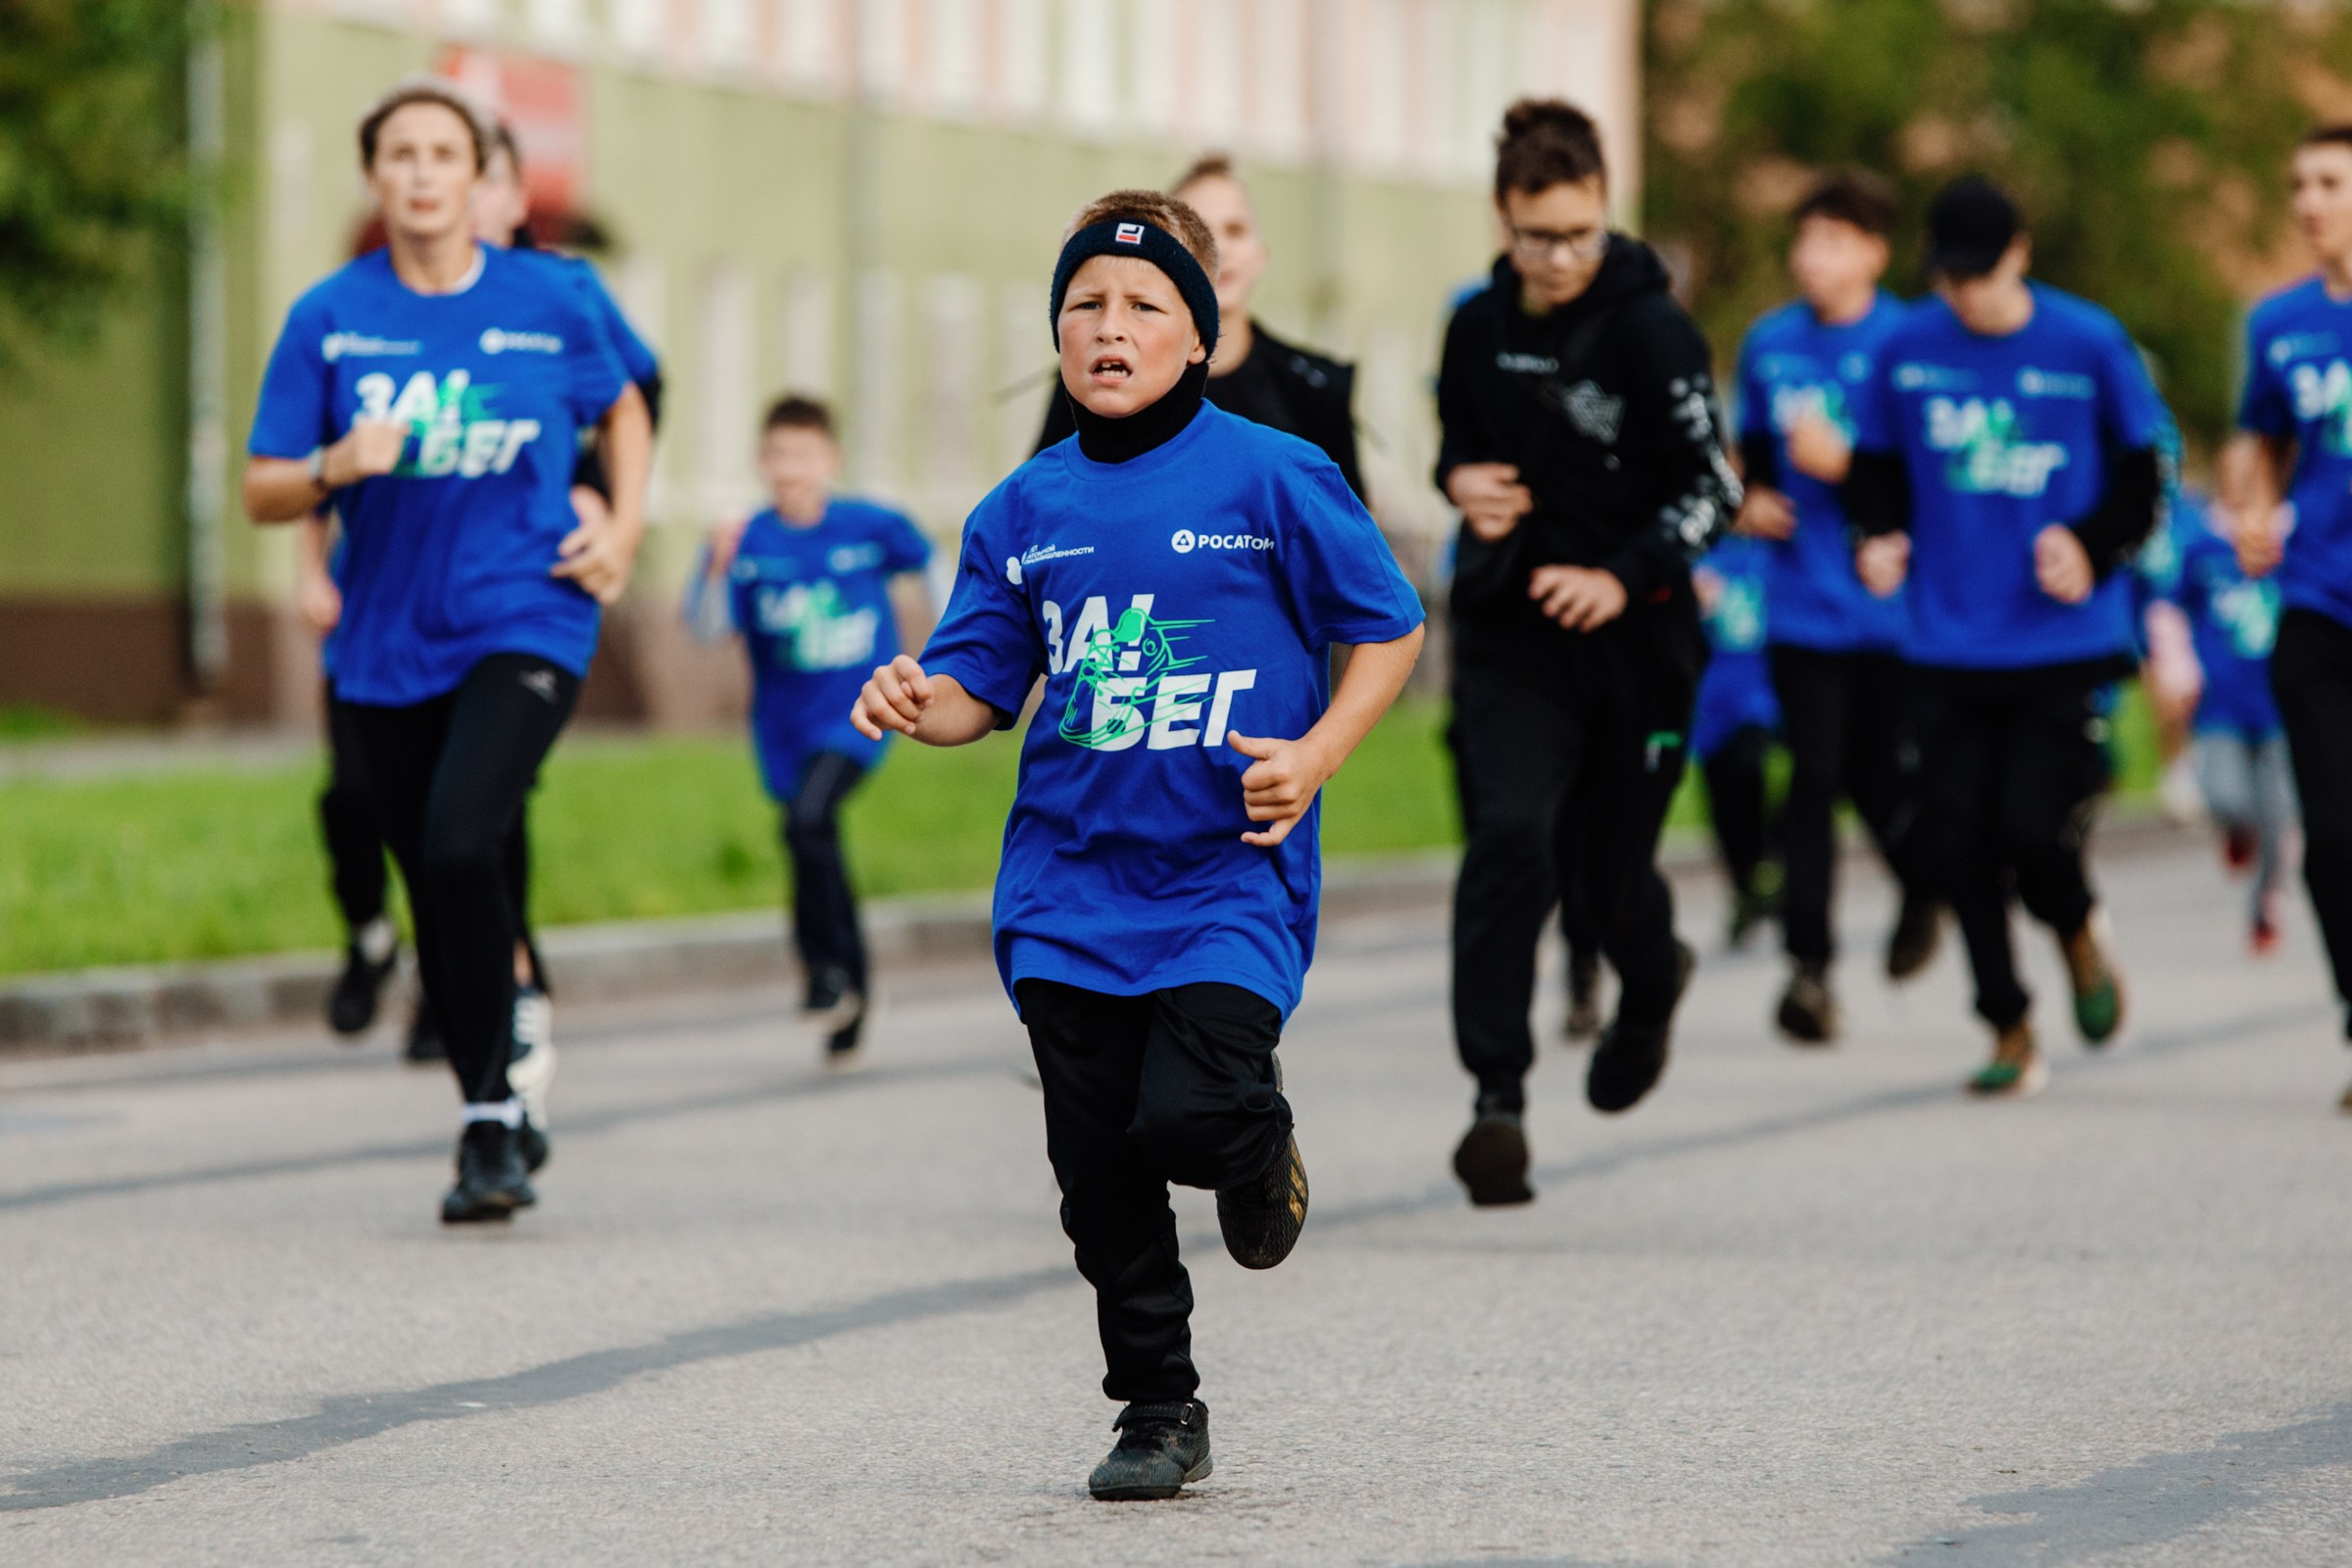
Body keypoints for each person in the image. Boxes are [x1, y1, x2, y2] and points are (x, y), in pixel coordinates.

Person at [853, 190, 1423, 1501]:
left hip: (1230, 870)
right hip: (1066, 886)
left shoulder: (1276, 475)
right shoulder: (1022, 507)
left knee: (1186, 1109)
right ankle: (1159, 1409)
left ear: (1200, 331)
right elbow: (976, 690)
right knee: (1097, 1164)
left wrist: (1318, 754)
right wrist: (911, 699)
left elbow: (1388, 627)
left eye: (1143, 307)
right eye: (1085, 308)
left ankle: (1250, 1142)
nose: (1109, 330)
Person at [243, 78, 651, 1221]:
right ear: (376, 179)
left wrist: (619, 527)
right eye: (401, 156)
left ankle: (484, 1122)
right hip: (384, 638)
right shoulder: (330, 316)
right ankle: (498, 1094)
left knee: (466, 843)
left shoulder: (554, 297)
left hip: (529, 611)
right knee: (430, 871)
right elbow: (262, 487)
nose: (423, 174)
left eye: (444, 155)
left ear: (481, 180)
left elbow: (624, 406)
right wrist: (335, 466)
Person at [1436, 99, 1739, 1205]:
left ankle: (1650, 987)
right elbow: (1459, 450)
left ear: (1607, 212)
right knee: (1509, 841)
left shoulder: (1653, 330)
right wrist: (1460, 483)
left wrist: (1622, 573)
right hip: (1514, 638)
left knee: (1608, 885)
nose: (1558, 258)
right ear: (1503, 219)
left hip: (1639, 646)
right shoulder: (1474, 327)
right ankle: (1496, 1099)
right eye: (1535, 236)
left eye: (1578, 233)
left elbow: (1718, 492)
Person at [1845, 174, 2164, 1099]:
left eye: (1979, 275)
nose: (1965, 295)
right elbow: (1874, 472)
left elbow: (2146, 477)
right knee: (1955, 842)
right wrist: (1879, 538)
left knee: (2031, 829)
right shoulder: (1907, 348)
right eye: (1949, 278)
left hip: (2060, 639)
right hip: (1945, 637)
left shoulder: (2088, 342)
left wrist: (2091, 544)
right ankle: (2008, 1024)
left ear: (2019, 256)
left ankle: (2075, 928)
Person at [1732, 171, 1940, 1046]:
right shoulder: (1770, 345)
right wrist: (1745, 501)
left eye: (1834, 241)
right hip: (1800, 606)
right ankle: (1809, 968)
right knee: (1811, 782)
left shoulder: (1910, 343)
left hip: (1894, 616)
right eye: (1804, 240)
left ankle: (1925, 887)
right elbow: (1742, 458)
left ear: (1874, 253)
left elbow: (1936, 479)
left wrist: (1845, 468)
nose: (1812, 260)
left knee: (1878, 782)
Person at [687, 395, 932, 1061]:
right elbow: (709, 628)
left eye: (805, 455)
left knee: (809, 821)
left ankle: (826, 975)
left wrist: (956, 656)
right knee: (807, 836)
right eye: (779, 455)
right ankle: (848, 983)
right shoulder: (746, 543)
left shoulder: (867, 525)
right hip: (783, 727)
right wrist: (714, 566)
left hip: (860, 716)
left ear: (831, 460)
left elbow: (935, 564)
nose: (791, 469)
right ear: (762, 462)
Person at [2226, 123, 2352, 1103]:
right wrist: (2255, 509)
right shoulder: (2279, 324)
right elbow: (2258, 442)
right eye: (2300, 183)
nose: (2308, 202)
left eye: (2330, 183)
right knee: (2334, 836)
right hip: (2316, 601)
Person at [1034, 155, 1364, 498]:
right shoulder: (1101, 379)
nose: (1220, 248)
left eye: (1235, 230)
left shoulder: (1313, 387)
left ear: (1260, 255)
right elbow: (1044, 495)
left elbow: (1347, 524)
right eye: (1202, 230)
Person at [2165, 484, 2294, 953]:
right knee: (2225, 796)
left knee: (2281, 813)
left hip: (2281, 704)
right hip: (2221, 703)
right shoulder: (2204, 548)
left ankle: (2265, 905)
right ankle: (2239, 828)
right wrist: (2175, 666)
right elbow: (2170, 608)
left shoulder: (2296, 541)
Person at [1690, 533, 1784, 949]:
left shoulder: (1770, 551)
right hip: (1710, 701)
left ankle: (1773, 863)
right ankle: (1748, 886)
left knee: (1757, 770)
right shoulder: (1689, 553)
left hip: (1763, 693)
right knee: (1727, 800)